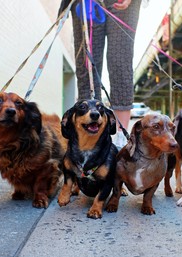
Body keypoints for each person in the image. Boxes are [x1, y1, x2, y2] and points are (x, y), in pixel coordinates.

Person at [59, 0, 143, 149]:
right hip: (86, 3)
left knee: (120, 63)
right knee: (87, 65)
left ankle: (120, 136)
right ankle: (89, 136)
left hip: (123, 5)